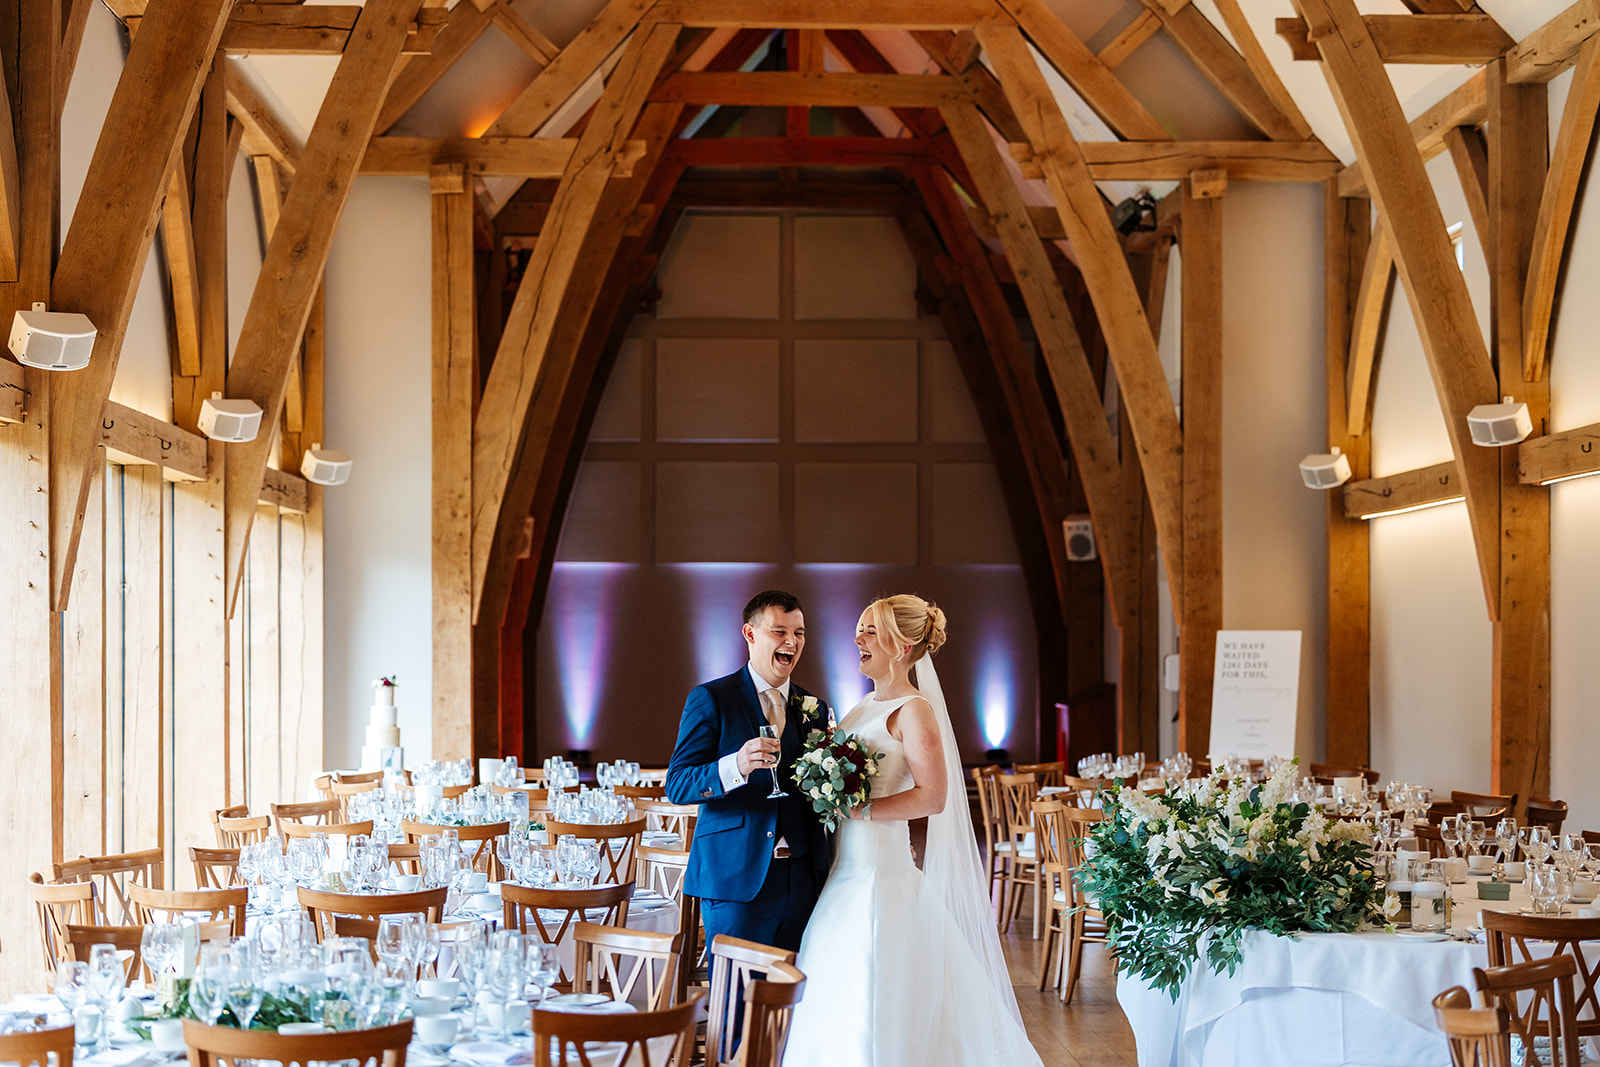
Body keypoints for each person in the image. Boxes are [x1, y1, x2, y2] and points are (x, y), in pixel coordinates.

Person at [784, 594, 1044, 1067]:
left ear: (900, 645)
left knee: (876, 983)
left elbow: (933, 796)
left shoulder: (914, 710)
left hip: (881, 877)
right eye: (860, 628)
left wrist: (858, 810)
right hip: (846, 872)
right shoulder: (863, 705)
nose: (857, 639)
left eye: (869, 631)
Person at [665, 589, 834, 952]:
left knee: (792, 1002)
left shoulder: (815, 708)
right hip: (735, 880)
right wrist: (735, 767)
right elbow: (678, 785)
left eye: (799, 633)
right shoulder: (712, 698)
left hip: (803, 879)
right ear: (750, 633)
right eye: (779, 631)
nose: (791, 641)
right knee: (735, 999)